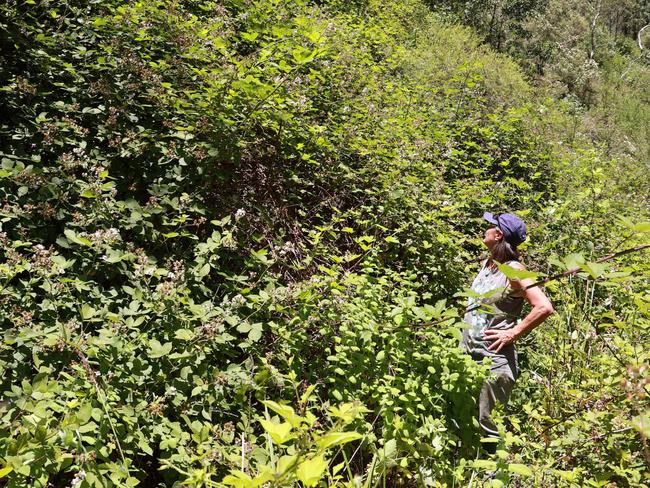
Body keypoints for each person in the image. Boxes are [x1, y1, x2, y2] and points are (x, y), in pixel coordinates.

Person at [462, 212, 554, 453]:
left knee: (488, 424)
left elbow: (544, 307)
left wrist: (512, 333)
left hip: (493, 360)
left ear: (498, 234)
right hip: (470, 355)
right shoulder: (488, 263)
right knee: (466, 416)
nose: (485, 228)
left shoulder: (513, 269)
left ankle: (495, 475)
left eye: (490, 226)